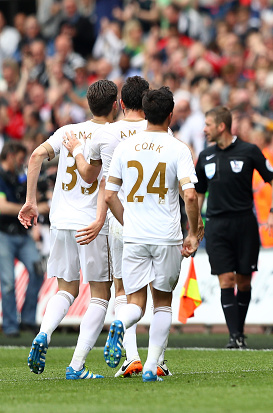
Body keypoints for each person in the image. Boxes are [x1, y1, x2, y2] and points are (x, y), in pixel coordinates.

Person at [62, 75, 171, 377]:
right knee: (160, 294)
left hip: (121, 219)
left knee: (124, 290)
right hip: (159, 221)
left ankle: (132, 356)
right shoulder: (161, 131)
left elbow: (92, 177)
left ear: (120, 104)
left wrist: (75, 149)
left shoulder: (108, 133)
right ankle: (157, 361)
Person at [19, 79, 118, 379]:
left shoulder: (67, 131)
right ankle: (76, 365)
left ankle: (44, 333)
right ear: (116, 105)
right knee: (101, 294)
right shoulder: (111, 136)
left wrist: (31, 201)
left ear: (87, 104)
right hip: (91, 224)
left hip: (60, 222)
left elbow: (36, 155)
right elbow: (95, 180)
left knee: (66, 289)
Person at [102, 86, 202, 382]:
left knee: (135, 303)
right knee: (162, 303)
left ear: (145, 113)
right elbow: (191, 196)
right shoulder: (178, 148)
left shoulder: (125, 147)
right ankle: (151, 366)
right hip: (166, 237)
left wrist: (128, 220)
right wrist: (193, 233)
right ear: (171, 115)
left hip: (134, 236)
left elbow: (109, 196)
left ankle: (120, 323)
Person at [195, 106, 273, 349]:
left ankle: (239, 332)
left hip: (244, 224)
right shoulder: (205, 156)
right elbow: (199, 193)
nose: (204, 129)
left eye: (208, 124)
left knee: (243, 281)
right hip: (216, 226)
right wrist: (195, 223)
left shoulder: (249, 150)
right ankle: (234, 336)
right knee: (226, 279)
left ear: (221, 126)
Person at [0, 141, 46, 337]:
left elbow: (33, 195)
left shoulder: (20, 175)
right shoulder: (1, 177)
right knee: (8, 281)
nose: (22, 162)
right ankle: (10, 326)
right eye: (20, 158)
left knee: (37, 271)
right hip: (3, 234)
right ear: (10, 155)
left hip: (22, 233)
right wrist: (25, 208)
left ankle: (27, 319)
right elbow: (1, 207)